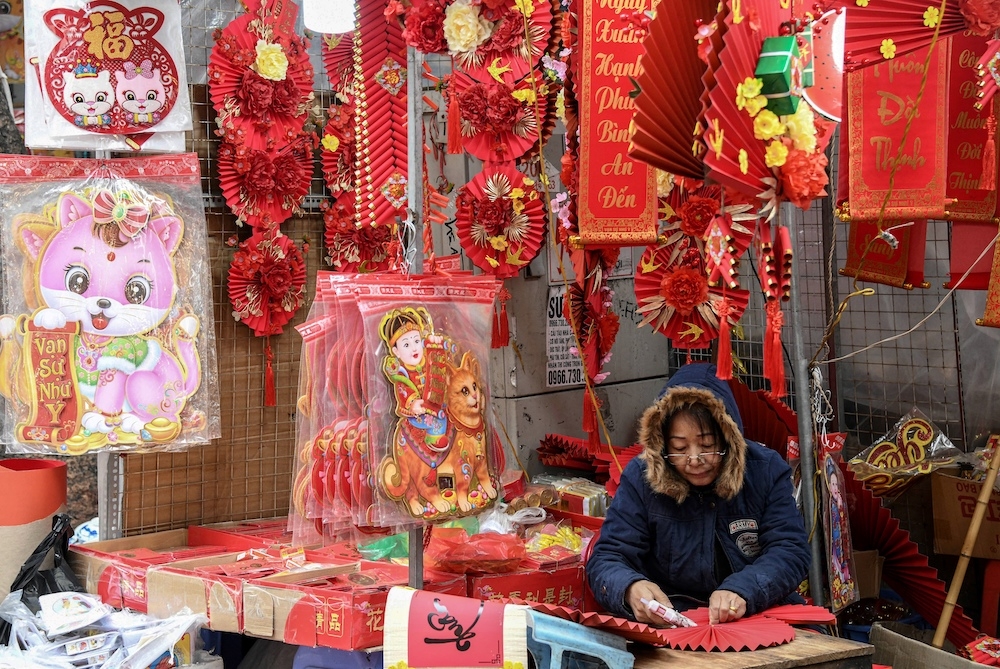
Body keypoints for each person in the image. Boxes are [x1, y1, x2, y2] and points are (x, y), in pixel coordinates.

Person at [586, 363, 810, 626]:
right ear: (663, 444)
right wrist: (630, 588)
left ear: (728, 438)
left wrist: (743, 589)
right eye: (679, 448)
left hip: (758, 608)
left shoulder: (765, 469)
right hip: (675, 615)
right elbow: (607, 557)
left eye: (707, 445)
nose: (694, 459)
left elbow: (790, 550)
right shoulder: (641, 476)